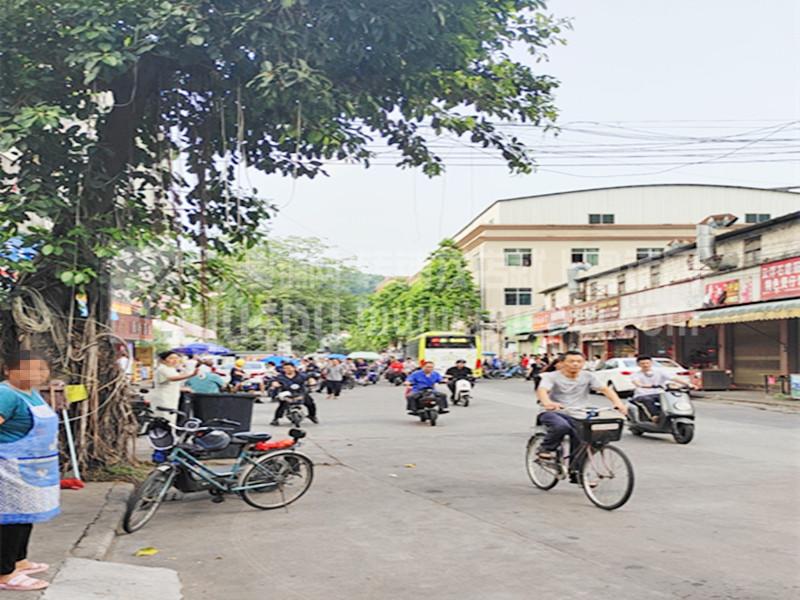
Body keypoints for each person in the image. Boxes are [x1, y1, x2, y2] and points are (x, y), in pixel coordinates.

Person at [0, 351, 59, 592]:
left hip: (33, 468)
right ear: (8, 370)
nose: (38, 374)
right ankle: (4, 573)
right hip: (9, 469)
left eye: (42, 369)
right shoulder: (6, 394)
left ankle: (19, 561)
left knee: (26, 516)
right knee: (9, 521)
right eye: (29, 368)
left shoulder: (32, 393)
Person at [535, 351, 628, 474]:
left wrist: (618, 403)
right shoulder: (551, 376)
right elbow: (542, 390)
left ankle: (576, 473)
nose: (575, 364)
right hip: (553, 412)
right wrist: (547, 403)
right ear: (562, 363)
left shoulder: (588, 376)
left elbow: (605, 389)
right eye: (571, 361)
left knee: (587, 439)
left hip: (578, 413)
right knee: (561, 427)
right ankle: (545, 448)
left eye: (579, 361)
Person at [631, 356, 695, 421]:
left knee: (670, 399)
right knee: (647, 400)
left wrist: (688, 384)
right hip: (642, 395)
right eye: (643, 363)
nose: (645, 365)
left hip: (659, 393)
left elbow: (673, 378)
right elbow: (637, 383)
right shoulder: (636, 374)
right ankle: (654, 416)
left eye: (647, 363)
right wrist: (648, 386)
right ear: (638, 364)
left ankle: (673, 414)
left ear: (651, 363)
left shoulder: (659, 372)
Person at [152, 351, 198, 424]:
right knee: (164, 417)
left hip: (171, 396)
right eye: (171, 358)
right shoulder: (163, 369)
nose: (175, 360)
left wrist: (183, 389)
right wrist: (191, 375)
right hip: (163, 398)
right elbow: (172, 378)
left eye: (176, 358)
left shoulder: (171, 369)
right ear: (163, 360)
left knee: (171, 417)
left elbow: (169, 384)